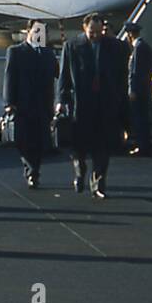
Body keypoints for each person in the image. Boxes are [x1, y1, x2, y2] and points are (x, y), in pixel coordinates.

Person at [58, 12, 128, 198]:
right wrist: (61, 101)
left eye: (98, 32)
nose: (95, 36)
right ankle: (80, 171)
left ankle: (98, 183)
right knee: (79, 148)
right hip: (81, 104)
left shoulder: (115, 47)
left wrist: (121, 100)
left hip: (105, 104)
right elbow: (64, 77)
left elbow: (121, 77)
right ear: (84, 28)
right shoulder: (72, 46)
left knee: (103, 147)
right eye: (92, 32)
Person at [2, 20, 59, 188]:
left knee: (40, 141)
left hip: (43, 104)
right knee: (24, 141)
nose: (39, 35)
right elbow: (9, 77)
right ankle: (31, 170)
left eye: (43, 33)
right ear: (28, 32)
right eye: (36, 31)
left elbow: (56, 73)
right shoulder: (16, 51)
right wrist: (9, 102)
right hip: (22, 104)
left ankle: (35, 170)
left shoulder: (47, 53)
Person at [125, 22, 152, 154]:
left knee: (138, 117)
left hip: (138, 89)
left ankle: (141, 145)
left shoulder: (137, 48)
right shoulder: (145, 47)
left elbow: (134, 72)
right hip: (145, 88)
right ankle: (145, 144)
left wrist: (132, 89)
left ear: (130, 34)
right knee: (144, 117)